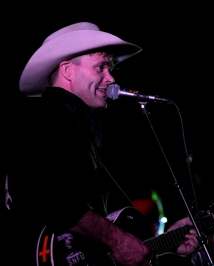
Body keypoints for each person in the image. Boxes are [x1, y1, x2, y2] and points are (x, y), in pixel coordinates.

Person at [4, 22, 199, 266]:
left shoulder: (80, 128)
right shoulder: (47, 121)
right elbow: (55, 199)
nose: (111, 78)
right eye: (101, 67)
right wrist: (118, 241)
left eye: (111, 68)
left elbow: (93, 243)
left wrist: (164, 242)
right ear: (67, 70)